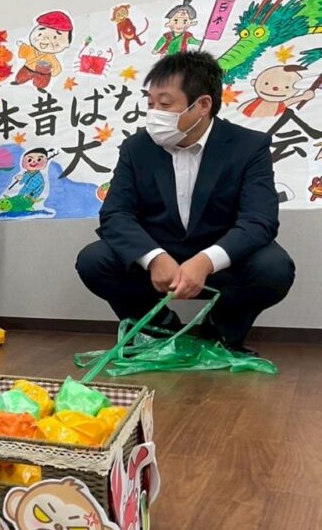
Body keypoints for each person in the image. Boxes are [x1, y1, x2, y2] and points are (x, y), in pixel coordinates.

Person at [76, 52, 295, 354]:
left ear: (203, 105)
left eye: (165, 104)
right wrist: (153, 257)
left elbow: (259, 221)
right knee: (94, 260)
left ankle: (217, 332)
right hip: (161, 252)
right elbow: (115, 214)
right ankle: (161, 330)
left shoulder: (248, 146)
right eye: (150, 104)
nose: (154, 113)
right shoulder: (136, 148)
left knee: (274, 267)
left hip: (222, 255)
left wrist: (206, 261)